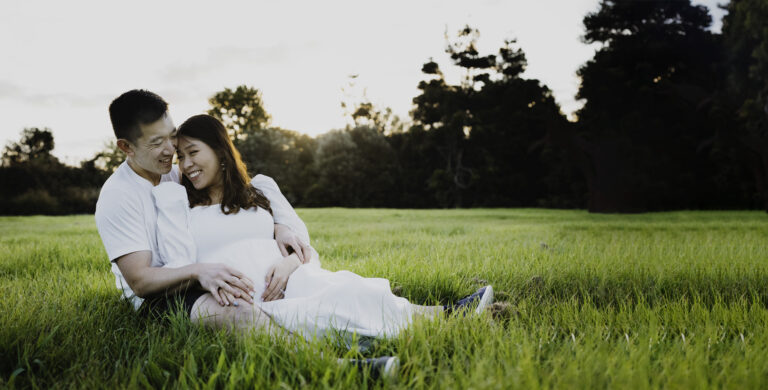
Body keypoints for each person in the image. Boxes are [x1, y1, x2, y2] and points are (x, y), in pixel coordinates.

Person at [150, 114, 495, 341]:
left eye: (193, 152)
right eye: (182, 157)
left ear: (221, 152)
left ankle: (444, 315)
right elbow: (177, 263)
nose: (187, 164)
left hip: (294, 278)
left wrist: (289, 262)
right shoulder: (179, 205)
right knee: (321, 314)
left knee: (351, 291)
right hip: (248, 299)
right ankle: (421, 328)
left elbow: (302, 244)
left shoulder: (262, 189)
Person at [94, 90, 312, 329]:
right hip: (160, 296)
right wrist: (198, 273)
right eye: (157, 143)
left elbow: (241, 192)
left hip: (197, 279)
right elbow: (140, 282)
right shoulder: (119, 196)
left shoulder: (174, 175)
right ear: (127, 147)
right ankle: (334, 365)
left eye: (172, 137)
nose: (170, 151)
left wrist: (280, 225)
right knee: (239, 312)